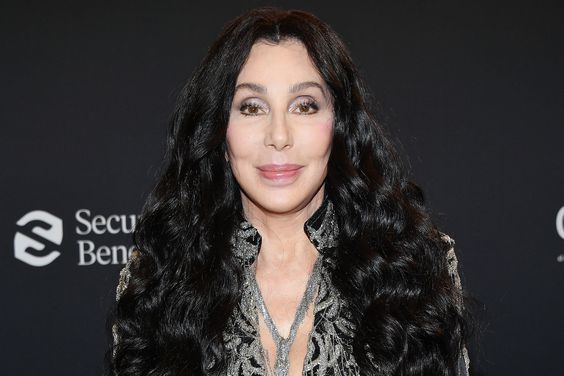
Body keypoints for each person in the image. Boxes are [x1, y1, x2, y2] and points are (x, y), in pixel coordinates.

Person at [109, 7, 471, 376]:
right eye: (251, 107)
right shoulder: (162, 277)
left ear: (340, 123)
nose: (279, 136)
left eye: (304, 106)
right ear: (219, 128)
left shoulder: (412, 269)